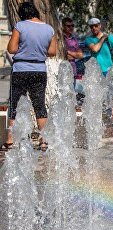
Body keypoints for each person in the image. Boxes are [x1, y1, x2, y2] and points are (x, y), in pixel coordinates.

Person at [0, 2, 56, 151]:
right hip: (39, 70)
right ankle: (44, 140)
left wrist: (24, 48)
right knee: (39, 104)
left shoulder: (20, 26)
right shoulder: (49, 29)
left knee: (15, 104)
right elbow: (52, 52)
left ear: (22, 13)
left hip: (21, 70)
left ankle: (11, 140)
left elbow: (11, 49)